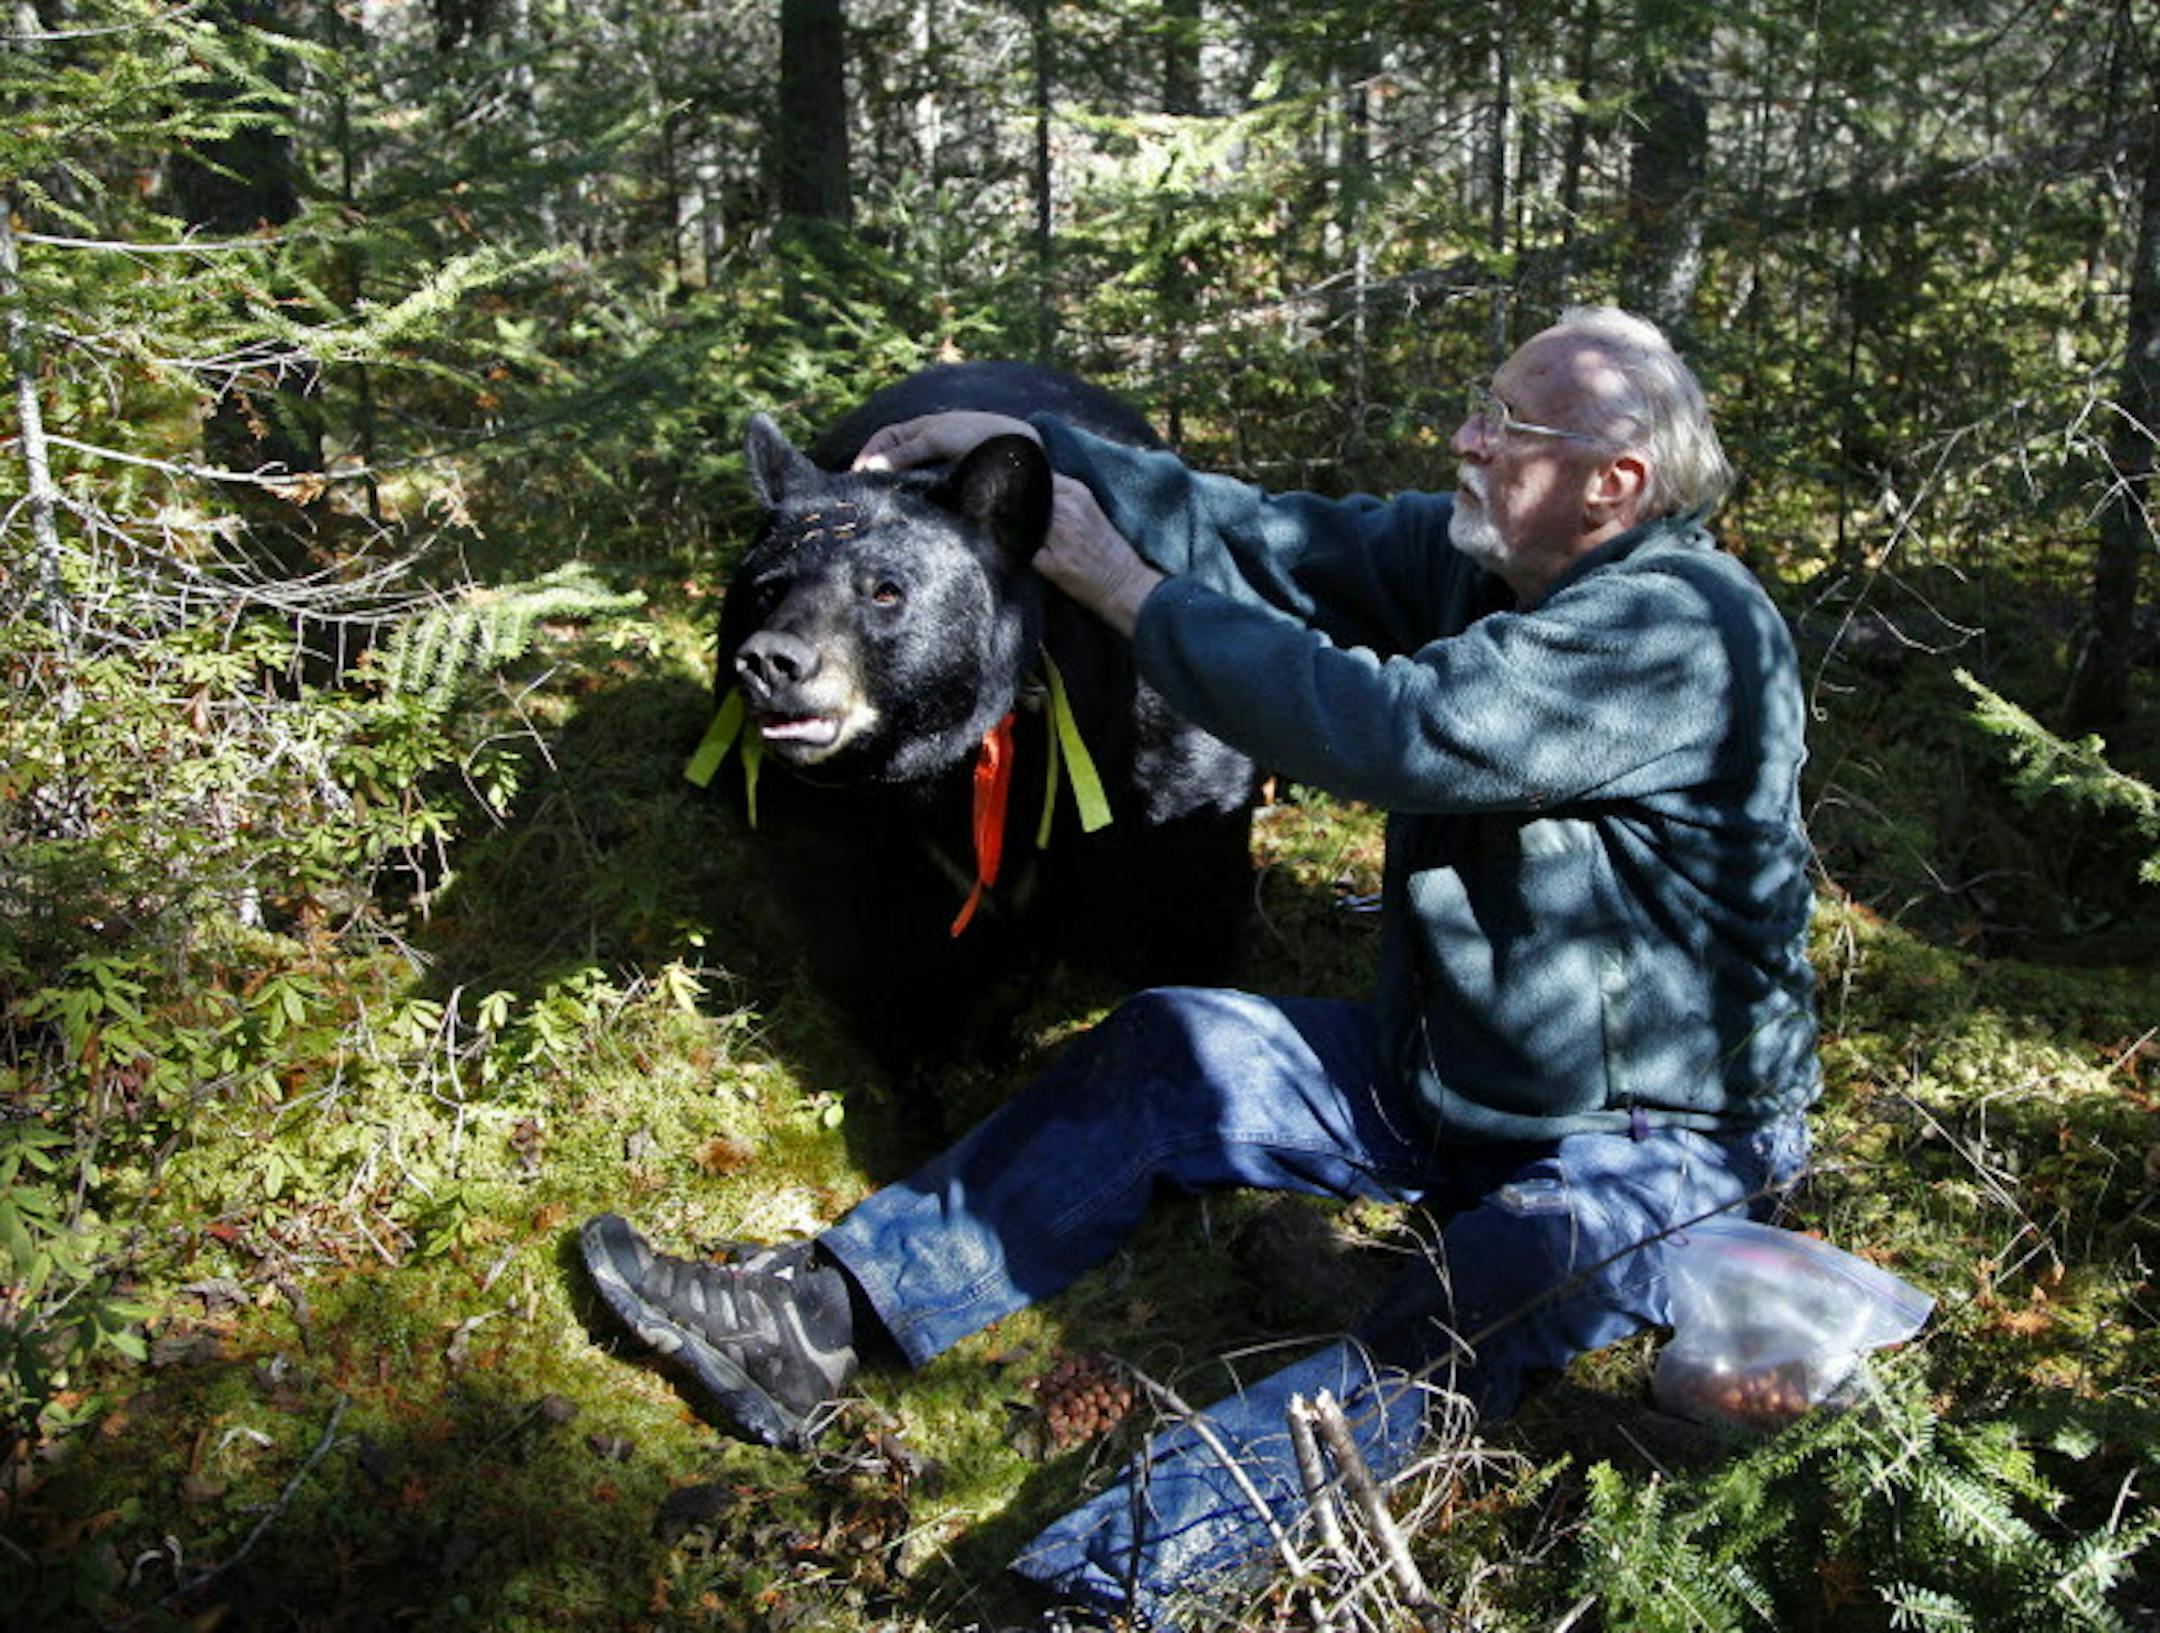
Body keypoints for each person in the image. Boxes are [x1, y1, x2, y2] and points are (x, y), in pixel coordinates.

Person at [579, 305, 1820, 1625]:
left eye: (1506, 424)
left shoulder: (1682, 631)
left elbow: (1397, 730)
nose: (1463, 436)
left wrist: (1127, 592)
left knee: (1443, 1325)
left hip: (1652, 1141)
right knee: (1177, 1045)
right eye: (1478, 402)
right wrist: (1027, 439)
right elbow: (1262, 529)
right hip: (1446, 1069)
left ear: (1612, 484)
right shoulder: (1490, 562)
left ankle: (1099, 1586)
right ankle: (816, 1314)